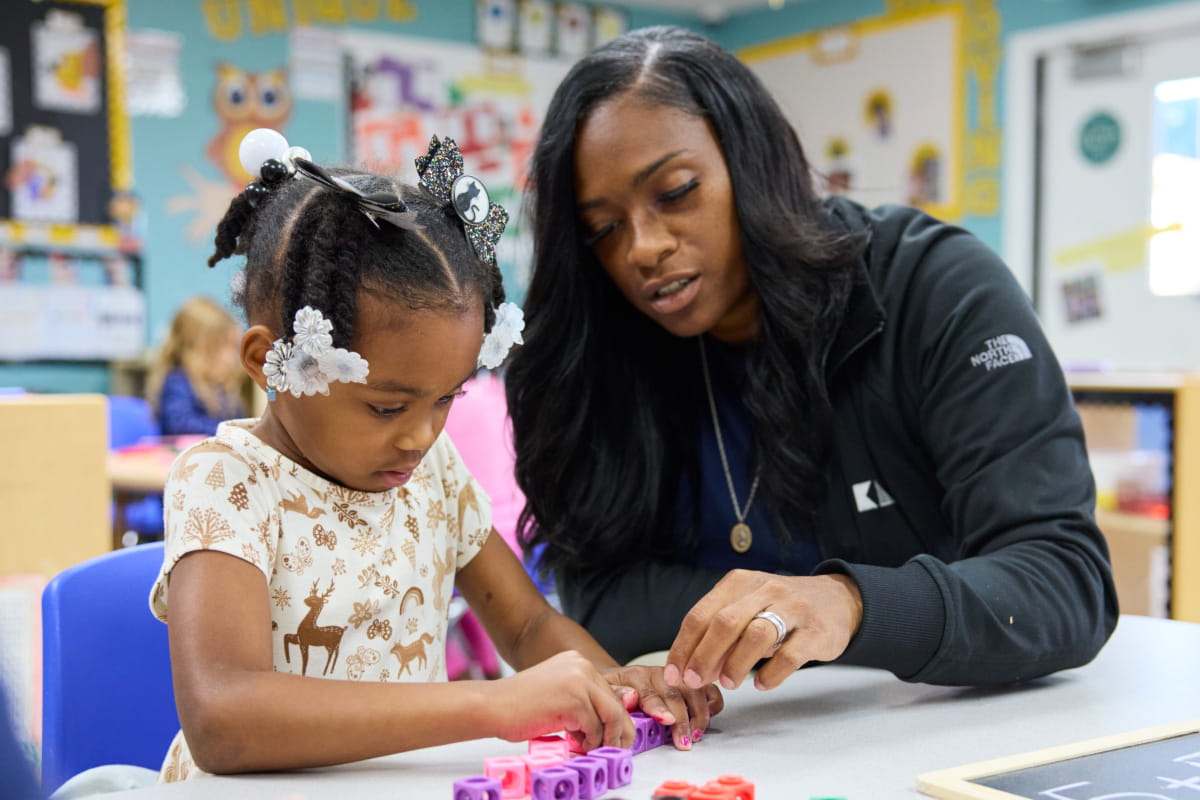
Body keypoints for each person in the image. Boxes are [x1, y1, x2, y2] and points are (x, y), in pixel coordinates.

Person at [505, 26, 1118, 694]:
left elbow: (1065, 583)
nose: (643, 248)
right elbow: (604, 602)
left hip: (930, 725)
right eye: (602, 228)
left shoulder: (935, 290)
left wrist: (849, 605)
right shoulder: (596, 358)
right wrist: (776, 616)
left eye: (676, 191)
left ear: (753, 162)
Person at [148, 131, 720, 781]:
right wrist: (487, 702)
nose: (420, 437)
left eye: (447, 398)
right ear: (272, 363)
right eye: (387, 407)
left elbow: (529, 625)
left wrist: (613, 683)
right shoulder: (227, 483)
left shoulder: (434, 471)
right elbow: (223, 719)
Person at [145, 295, 247, 436]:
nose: (231, 359)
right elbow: (179, 425)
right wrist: (229, 431)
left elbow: (240, 423)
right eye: (221, 348)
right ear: (196, 350)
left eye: (233, 348)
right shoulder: (177, 382)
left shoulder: (223, 389)